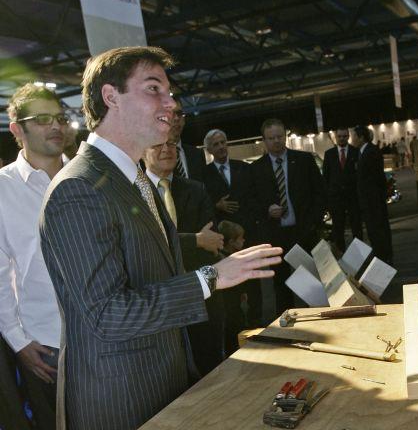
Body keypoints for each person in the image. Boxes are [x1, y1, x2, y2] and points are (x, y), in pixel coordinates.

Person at [38, 46, 281, 430]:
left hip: (161, 384)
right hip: (122, 401)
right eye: (154, 89)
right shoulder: (78, 188)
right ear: (110, 96)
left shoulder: (133, 181)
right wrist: (211, 277)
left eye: (169, 92)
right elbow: (108, 314)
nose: (171, 103)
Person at [0, 84, 66, 430]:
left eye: (60, 117)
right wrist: (19, 342)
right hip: (46, 346)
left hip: (109, 332)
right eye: (41, 119)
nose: (56, 126)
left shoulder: (87, 176)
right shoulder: (2, 188)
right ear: (17, 129)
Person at [143, 136, 226, 375]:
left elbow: (213, 241)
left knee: (209, 370)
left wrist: (199, 241)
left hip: (200, 295)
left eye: (171, 144)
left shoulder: (195, 188)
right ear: (141, 152)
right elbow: (147, 244)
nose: (166, 149)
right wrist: (195, 240)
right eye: (157, 144)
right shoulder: (133, 195)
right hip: (159, 298)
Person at [250, 118, 325, 313]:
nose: (276, 141)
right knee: (281, 288)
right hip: (276, 236)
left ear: (285, 136)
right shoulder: (256, 169)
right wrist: (267, 210)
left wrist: (313, 223)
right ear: (264, 140)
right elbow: (252, 202)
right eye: (271, 138)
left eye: (279, 136)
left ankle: (319, 321)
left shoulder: (304, 160)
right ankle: (289, 329)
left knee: (311, 284)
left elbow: (320, 193)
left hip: (304, 232)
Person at [203, 129, 261, 324]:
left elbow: (254, 197)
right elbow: (203, 205)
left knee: (254, 284)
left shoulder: (244, 168)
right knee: (232, 291)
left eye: (223, 142)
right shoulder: (204, 175)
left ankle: (258, 323)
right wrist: (217, 205)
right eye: (216, 144)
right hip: (224, 242)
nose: (220, 147)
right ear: (209, 149)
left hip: (247, 237)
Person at [351, 125, 392, 264]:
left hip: (374, 201)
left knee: (379, 230)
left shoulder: (372, 151)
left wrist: (378, 197)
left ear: (361, 137)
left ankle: (384, 258)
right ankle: (380, 256)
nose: (352, 140)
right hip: (367, 201)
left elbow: (377, 177)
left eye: (354, 136)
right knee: (373, 231)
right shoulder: (361, 152)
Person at [322, 127, 362, 252]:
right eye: (339, 136)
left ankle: (360, 254)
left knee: (357, 227)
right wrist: (328, 199)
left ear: (348, 136)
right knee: (338, 228)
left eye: (344, 136)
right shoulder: (329, 154)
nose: (342, 139)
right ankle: (341, 254)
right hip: (336, 198)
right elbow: (326, 177)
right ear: (336, 137)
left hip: (353, 197)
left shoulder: (356, 152)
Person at [217, 220, 248, 355]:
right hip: (229, 307)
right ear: (231, 242)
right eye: (240, 238)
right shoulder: (226, 260)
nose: (243, 240)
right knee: (233, 333)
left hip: (235, 302)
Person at [170, 97, 207, 181]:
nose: (176, 118)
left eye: (179, 113)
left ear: (184, 120)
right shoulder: (155, 156)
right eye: (171, 113)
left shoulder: (197, 154)